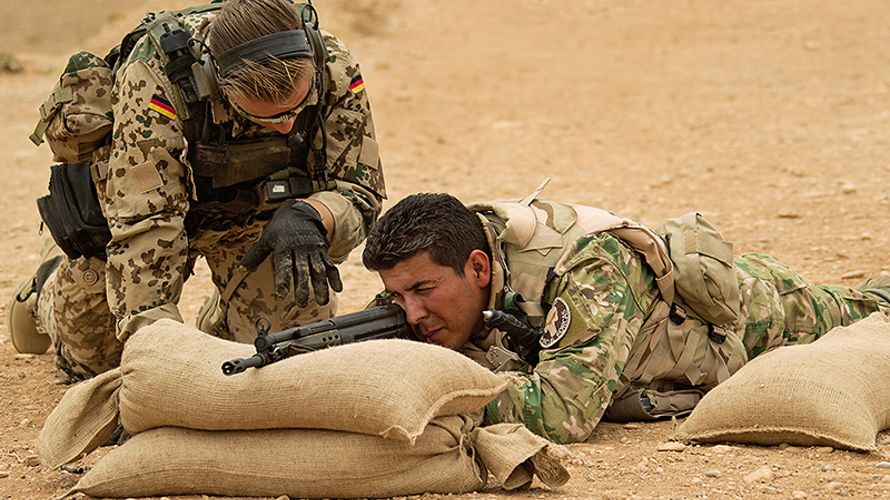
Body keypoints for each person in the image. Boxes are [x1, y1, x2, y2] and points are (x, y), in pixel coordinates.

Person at [8, 0, 385, 382]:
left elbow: (359, 190)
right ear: (220, 85)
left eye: (297, 108)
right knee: (102, 368)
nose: (288, 127)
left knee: (283, 354)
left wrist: (314, 215)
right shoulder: (155, 80)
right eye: (267, 117)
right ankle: (49, 282)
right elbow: (149, 227)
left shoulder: (335, 68)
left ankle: (224, 319)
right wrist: (155, 358)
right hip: (147, 216)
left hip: (259, 222)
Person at [361, 191, 890, 444]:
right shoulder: (438, 269)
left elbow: (562, 412)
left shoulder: (587, 269)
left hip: (761, 316)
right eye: (398, 295)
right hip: (654, 347)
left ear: (477, 268)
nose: (413, 313)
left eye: (424, 291)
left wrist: (427, 386)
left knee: (872, 305)